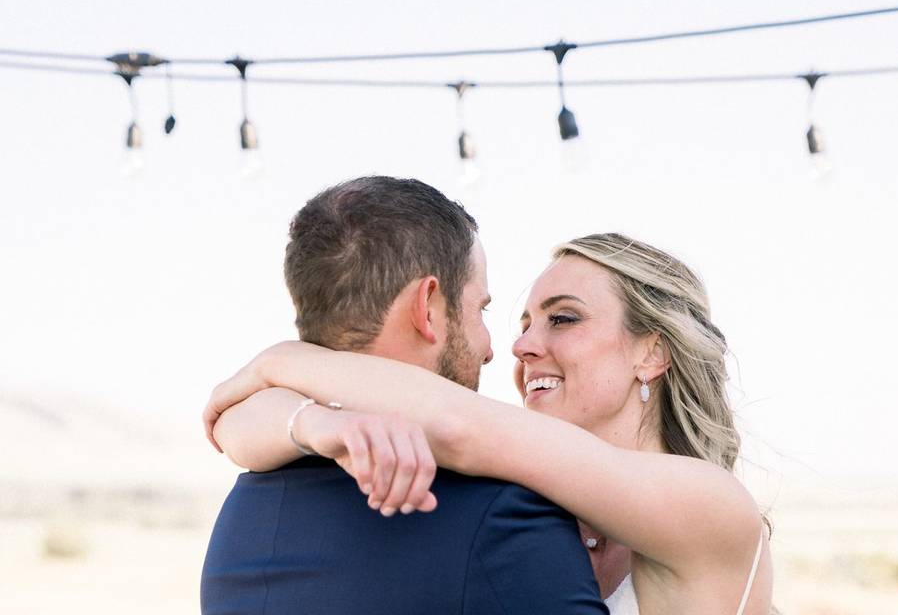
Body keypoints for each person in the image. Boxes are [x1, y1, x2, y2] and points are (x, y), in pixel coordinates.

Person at [205, 232, 775, 615]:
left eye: (564, 319)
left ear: (651, 353)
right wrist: (308, 423)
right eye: (524, 323)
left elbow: (455, 425)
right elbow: (241, 431)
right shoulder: (527, 496)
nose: (524, 346)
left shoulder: (712, 504)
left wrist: (284, 361)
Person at [199, 176, 609, 614]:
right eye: (480, 309)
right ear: (427, 307)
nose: (492, 349)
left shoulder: (239, 528)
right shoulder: (503, 517)